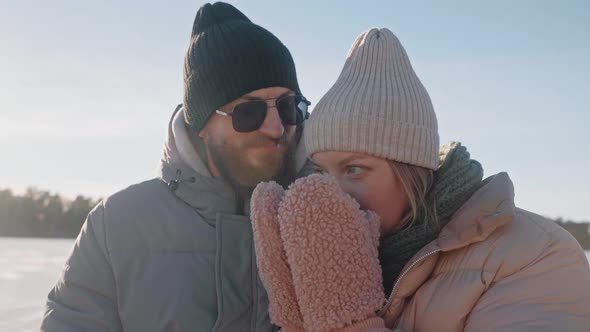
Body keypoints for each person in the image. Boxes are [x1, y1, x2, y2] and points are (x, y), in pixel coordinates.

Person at [250, 27, 590, 331]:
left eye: (354, 169)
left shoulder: (533, 256)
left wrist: (347, 322)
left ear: (410, 171)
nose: (331, 192)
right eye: (321, 171)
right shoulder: (334, 259)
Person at [40, 2, 311, 331]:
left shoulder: (323, 217)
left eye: (287, 107)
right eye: (248, 112)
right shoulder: (117, 226)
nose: (275, 128)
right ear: (201, 124)